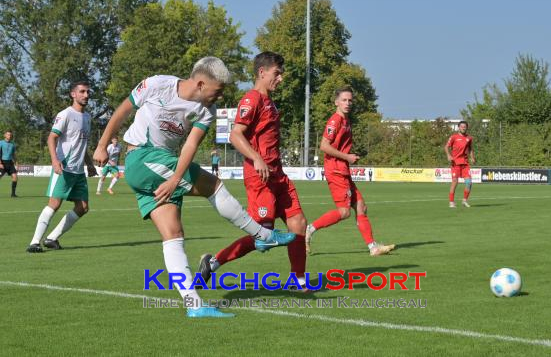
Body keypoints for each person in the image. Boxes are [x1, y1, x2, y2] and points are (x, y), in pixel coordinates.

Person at [93, 56, 295, 318]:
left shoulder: (206, 111)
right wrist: (101, 145)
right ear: (200, 84)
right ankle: (263, 235)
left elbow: (190, 145)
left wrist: (175, 177)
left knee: (173, 234)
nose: (220, 97)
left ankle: (194, 305)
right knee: (214, 186)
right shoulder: (157, 85)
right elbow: (122, 111)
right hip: (143, 158)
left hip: (160, 167)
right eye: (218, 91)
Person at [199, 52, 309, 291]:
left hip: (278, 176)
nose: (280, 79)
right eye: (276, 74)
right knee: (263, 237)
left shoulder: (270, 102)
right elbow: (235, 134)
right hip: (260, 178)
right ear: (262, 72)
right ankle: (213, 262)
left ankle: (298, 281)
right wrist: (257, 158)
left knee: (298, 223)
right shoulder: (252, 99)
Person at [305, 87, 395, 256]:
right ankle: (309, 230)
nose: (347, 103)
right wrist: (347, 157)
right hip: (336, 170)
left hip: (343, 169)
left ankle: (373, 248)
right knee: (344, 212)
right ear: (336, 102)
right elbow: (324, 146)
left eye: (350, 100)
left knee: (361, 206)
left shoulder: (346, 121)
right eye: (344, 100)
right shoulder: (335, 121)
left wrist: (347, 159)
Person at [27, 81, 98, 253]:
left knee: (83, 207)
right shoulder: (65, 114)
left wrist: (89, 164)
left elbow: (82, 144)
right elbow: (52, 138)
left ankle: (52, 238)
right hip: (64, 167)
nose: (86, 95)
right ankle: (34, 242)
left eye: (88, 92)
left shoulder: (87, 117)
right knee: (55, 203)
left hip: (79, 171)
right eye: (82, 92)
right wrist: (54, 160)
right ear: (73, 94)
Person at [444, 120, 475, 208]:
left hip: (465, 163)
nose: (463, 128)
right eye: (462, 126)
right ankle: (451, 202)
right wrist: (449, 155)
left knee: (469, 182)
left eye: (465, 127)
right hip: (455, 163)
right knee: (455, 182)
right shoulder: (454, 137)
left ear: (467, 128)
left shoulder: (469, 138)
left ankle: (464, 201)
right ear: (459, 127)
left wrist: (472, 157)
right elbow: (446, 147)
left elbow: (471, 149)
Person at [0, 130, 18, 197]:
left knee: (15, 177)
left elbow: (14, 155)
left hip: (10, 163)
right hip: (2, 162)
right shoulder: (1, 143)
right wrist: (0, 163)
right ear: (5, 135)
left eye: (10, 135)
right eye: (8, 134)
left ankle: (13, 194)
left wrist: (16, 163)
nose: (9, 136)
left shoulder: (13, 144)